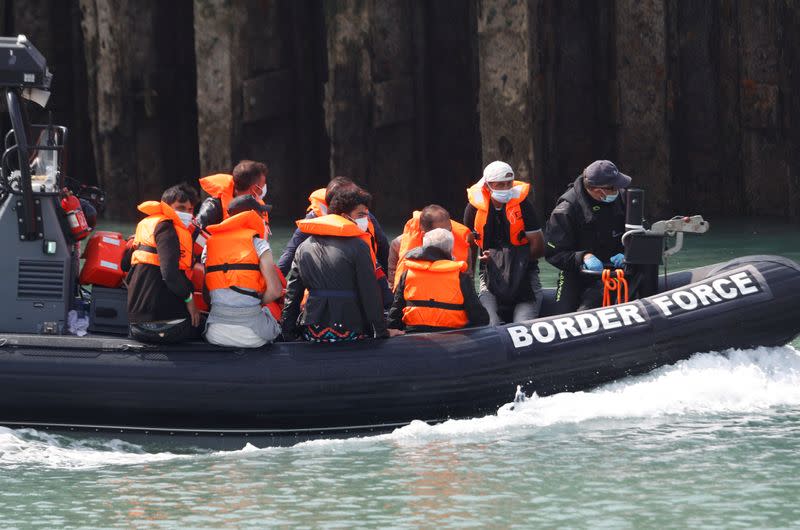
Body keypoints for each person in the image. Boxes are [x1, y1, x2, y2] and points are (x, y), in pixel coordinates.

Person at [281, 188, 403, 342]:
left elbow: (293, 295)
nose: (366, 220)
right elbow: (370, 293)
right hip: (350, 330)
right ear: (345, 216)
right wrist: (382, 331)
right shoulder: (359, 247)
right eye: (361, 215)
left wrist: (288, 333)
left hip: (312, 330)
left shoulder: (303, 246)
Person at [277, 176, 393, 307]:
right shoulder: (314, 219)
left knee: (384, 294)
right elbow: (290, 254)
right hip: (327, 283)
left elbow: (382, 246)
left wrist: (390, 280)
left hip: (364, 272)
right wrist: (275, 285)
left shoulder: (363, 215)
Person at [464, 161, 544, 325]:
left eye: (509, 183)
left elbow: (539, 248)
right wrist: (468, 280)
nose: (506, 188)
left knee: (522, 325)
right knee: (490, 324)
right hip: (489, 277)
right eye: (500, 185)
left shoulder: (524, 206)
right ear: (487, 185)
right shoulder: (473, 209)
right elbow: (469, 245)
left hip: (525, 277)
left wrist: (504, 259)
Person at [544, 159, 630, 313]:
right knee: (564, 313)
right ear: (599, 190)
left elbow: (639, 236)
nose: (619, 190)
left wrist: (628, 254)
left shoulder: (624, 199)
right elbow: (554, 253)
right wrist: (583, 257)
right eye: (614, 187)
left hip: (616, 271)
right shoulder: (566, 209)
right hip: (576, 272)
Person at [202, 195, 283, 348]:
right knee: (273, 321)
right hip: (252, 336)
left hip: (215, 333)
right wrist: (256, 302)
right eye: (261, 213)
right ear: (252, 214)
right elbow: (276, 291)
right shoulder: (259, 244)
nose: (263, 217)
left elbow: (207, 296)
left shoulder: (209, 245)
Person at [124, 183, 201, 343]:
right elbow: (170, 275)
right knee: (207, 326)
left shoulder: (145, 226)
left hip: (136, 325)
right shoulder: (168, 228)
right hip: (162, 326)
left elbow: (124, 265)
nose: (186, 214)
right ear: (166, 207)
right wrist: (189, 298)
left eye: (190, 210)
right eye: (180, 208)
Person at [388, 228, 489, 332]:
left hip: (414, 335)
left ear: (423, 247)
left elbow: (395, 314)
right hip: (454, 339)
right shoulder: (461, 277)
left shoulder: (407, 275)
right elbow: (480, 318)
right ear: (450, 250)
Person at [387, 204, 474, 291]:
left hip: (450, 298)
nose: (446, 236)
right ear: (423, 234)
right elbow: (393, 284)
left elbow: (469, 285)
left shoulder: (463, 246)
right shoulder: (398, 245)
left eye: (448, 231)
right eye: (439, 233)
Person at [195, 160, 269, 229]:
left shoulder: (259, 208)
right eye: (262, 185)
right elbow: (195, 233)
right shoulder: (213, 207)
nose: (264, 187)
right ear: (254, 188)